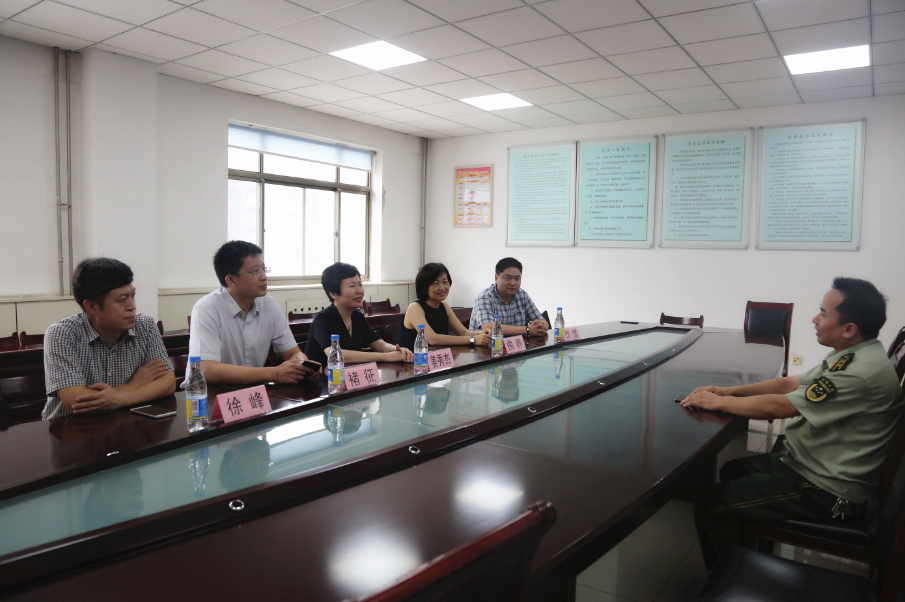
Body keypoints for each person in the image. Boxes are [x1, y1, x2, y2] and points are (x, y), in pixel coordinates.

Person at [682, 278, 904, 569]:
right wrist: (729, 392)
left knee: (712, 505)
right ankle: (755, 551)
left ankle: (733, 578)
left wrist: (717, 403)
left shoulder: (858, 372)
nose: (815, 319)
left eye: (823, 313)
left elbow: (781, 407)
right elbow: (791, 383)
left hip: (829, 490)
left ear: (849, 329)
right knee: (732, 470)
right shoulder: (856, 354)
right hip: (811, 464)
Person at [42, 258, 176, 420]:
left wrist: (120, 398)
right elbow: (77, 401)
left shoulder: (145, 325)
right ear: (91, 306)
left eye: (133, 296)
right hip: (70, 429)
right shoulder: (62, 334)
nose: (132, 306)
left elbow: (168, 383)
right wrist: (133, 385)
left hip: (126, 423)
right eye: (122, 300)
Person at [189, 241, 317, 385]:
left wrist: (302, 365)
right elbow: (206, 370)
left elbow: (293, 353)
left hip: (254, 392)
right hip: (212, 394)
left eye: (264, 269)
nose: (264, 277)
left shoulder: (268, 304)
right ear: (231, 280)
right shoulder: (207, 309)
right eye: (255, 271)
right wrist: (273, 373)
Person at [306, 262, 413, 366]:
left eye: (360, 284)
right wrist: (384, 357)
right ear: (333, 293)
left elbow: (380, 345)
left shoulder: (357, 316)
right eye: (352, 286)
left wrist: (399, 350)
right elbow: (336, 355)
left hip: (349, 375)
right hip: (322, 376)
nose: (360, 291)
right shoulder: (322, 320)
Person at [399, 263, 491, 351]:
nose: (442, 287)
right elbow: (433, 339)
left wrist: (479, 333)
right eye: (436, 283)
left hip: (438, 359)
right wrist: (473, 340)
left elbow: (463, 332)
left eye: (445, 282)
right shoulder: (415, 308)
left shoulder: (444, 306)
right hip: (414, 359)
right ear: (424, 286)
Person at [470, 257, 549, 337]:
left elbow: (544, 322)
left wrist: (540, 327)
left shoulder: (522, 295)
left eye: (517, 279)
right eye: (508, 278)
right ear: (496, 278)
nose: (513, 283)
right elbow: (489, 327)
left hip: (516, 344)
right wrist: (528, 329)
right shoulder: (485, 297)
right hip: (488, 344)